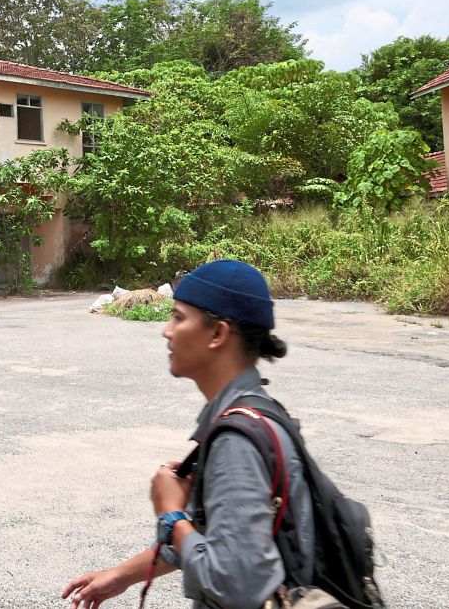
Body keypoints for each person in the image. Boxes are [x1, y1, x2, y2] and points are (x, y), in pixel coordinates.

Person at [62, 260, 315, 609]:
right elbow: (214, 539)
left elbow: (236, 582)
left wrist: (170, 514)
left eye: (179, 317)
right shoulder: (256, 414)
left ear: (217, 334)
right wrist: (120, 575)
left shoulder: (236, 441)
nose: (167, 331)